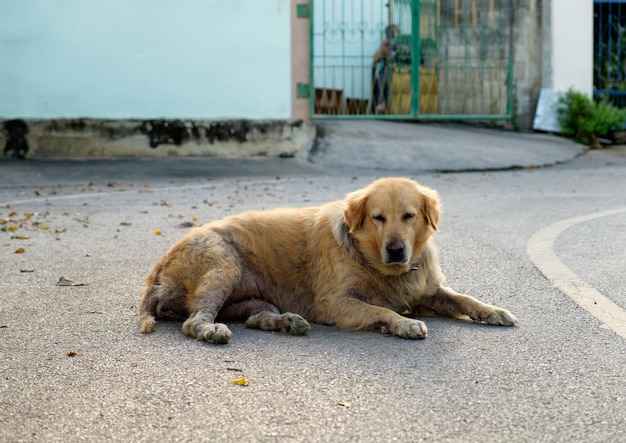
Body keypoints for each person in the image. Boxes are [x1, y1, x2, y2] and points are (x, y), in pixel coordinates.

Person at [372, 25, 399, 114]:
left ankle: (386, 104)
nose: (393, 35)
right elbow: (375, 59)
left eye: (395, 33)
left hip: (399, 71)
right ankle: (380, 104)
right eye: (391, 33)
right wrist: (384, 46)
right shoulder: (385, 45)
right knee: (381, 78)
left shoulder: (401, 45)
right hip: (387, 71)